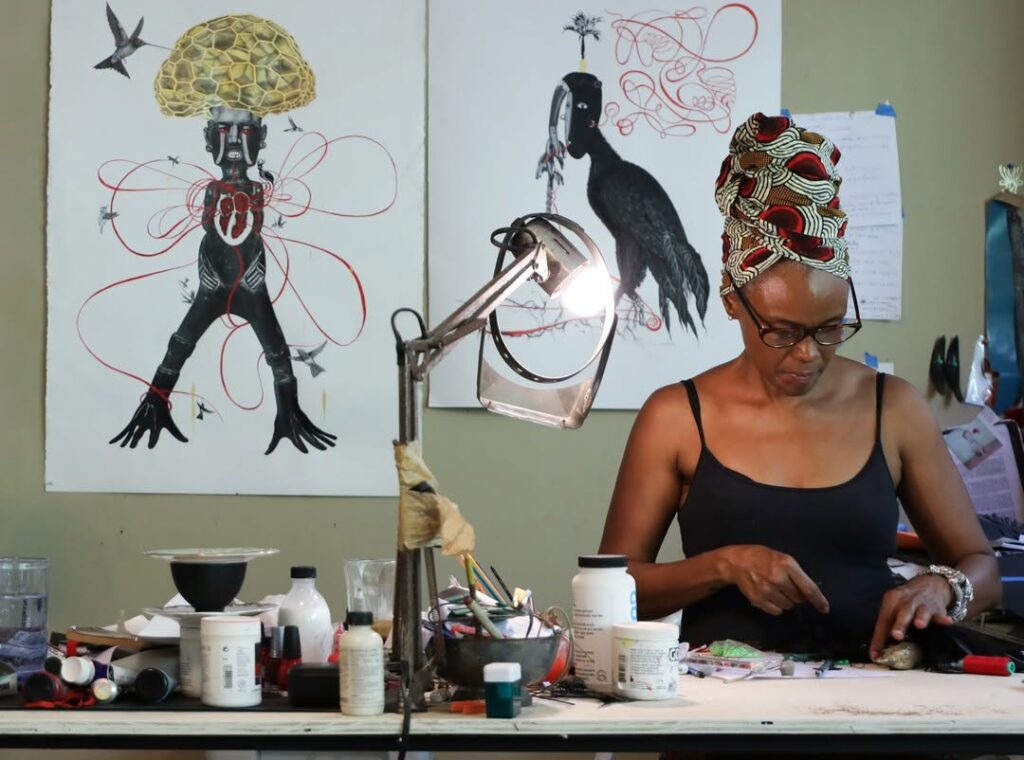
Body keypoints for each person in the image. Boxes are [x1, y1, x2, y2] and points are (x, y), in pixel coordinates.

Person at [599, 112, 1000, 662]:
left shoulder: (895, 408)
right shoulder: (676, 417)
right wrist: (725, 565)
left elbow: (981, 565)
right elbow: (612, 592)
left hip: (875, 703)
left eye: (831, 327)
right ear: (733, 303)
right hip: (725, 718)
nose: (810, 353)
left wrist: (942, 588)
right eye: (783, 331)